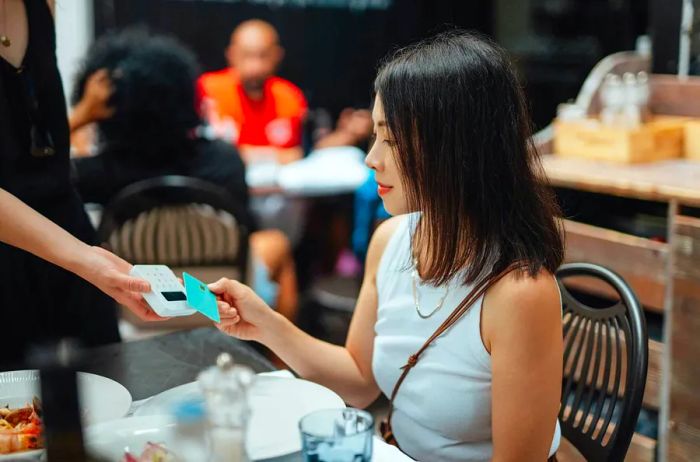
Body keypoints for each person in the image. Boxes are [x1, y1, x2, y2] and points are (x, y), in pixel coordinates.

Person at [211, 31, 564, 462]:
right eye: (375, 136)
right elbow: (360, 380)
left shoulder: (520, 293)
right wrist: (263, 322)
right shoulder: (392, 241)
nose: (371, 158)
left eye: (391, 141)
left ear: (457, 149)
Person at [70, 29, 298, 325]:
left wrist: (81, 115)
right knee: (275, 241)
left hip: (137, 305)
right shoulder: (223, 159)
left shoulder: (98, 172)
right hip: (217, 300)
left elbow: (33, 174)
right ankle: (276, 362)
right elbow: (246, 231)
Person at [0, 0, 157, 366]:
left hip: (66, 225)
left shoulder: (42, 6)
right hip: (16, 245)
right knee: (15, 408)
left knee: (110, 381)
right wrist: (84, 259)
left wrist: (85, 257)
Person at [196, 19, 307, 164]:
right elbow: (207, 154)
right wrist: (270, 156)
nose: (255, 66)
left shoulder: (290, 97)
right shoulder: (207, 90)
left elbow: (295, 155)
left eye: (263, 55)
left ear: (277, 56)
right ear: (231, 54)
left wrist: (245, 155)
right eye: (246, 55)